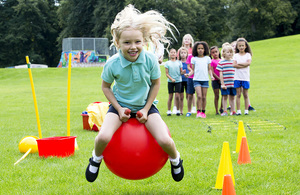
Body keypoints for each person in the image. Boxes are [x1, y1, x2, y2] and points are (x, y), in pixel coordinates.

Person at [85, 4, 184, 183]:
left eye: (137, 42)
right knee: (103, 137)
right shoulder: (113, 63)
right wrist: (119, 108)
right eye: (127, 42)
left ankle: (175, 160)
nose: (133, 47)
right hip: (119, 108)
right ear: (117, 43)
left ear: (144, 41)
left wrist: (146, 109)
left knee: (165, 140)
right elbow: (106, 87)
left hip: (146, 107)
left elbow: (156, 84)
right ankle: (96, 158)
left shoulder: (150, 60)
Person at [186, 41, 213, 118]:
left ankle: (203, 112)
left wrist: (211, 76)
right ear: (196, 50)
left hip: (205, 80)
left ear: (205, 50)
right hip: (196, 79)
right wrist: (189, 74)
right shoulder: (194, 59)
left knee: (204, 97)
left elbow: (209, 69)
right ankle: (198, 111)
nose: (200, 50)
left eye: (202, 48)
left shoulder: (207, 58)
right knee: (199, 96)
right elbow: (193, 70)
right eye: (199, 48)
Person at [174, 34, 196, 115]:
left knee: (191, 92)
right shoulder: (180, 50)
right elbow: (177, 60)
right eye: (185, 39)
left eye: (188, 39)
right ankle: (176, 108)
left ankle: (193, 107)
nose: (186, 40)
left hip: (190, 72)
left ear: (191, 41)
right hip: (181, 75)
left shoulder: (193, 50)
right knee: (179, 93)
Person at [233, 38, 252, 115]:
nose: (241, 47)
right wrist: (243, 64)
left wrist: (239, 64)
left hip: (245, 78)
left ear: (245, 46)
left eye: (242, 46)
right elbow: (234, 65)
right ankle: (238, 110)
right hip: (237, 77)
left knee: (245, 94)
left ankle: (246, 110)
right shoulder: (236, 55)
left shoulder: (248, 55)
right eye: (239, 46)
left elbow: (248, 63)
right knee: (238, 94)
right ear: (237, 47)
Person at [217, 44, 236, 116]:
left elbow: (235, 72)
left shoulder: (234, 61)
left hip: (233, 83)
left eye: (231, 52)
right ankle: (225, 111)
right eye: (228, 52)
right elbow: (221, 74)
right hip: (225, 84)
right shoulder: (221, 62)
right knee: (225, 97)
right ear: (224, 53)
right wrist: (222, 84)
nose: (230, 54)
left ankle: (233, 110)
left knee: (232, 97)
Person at [165, 48, 185, 116]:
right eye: (171, 52)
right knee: (170, 96)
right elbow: (167, 74)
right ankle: (168, 110)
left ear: (176, 54)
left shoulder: (179, 62)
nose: (173, 53)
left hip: (178, 81)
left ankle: (177, 110)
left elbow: (181, 72)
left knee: (177, 96)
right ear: (169, 54)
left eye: (174, 52)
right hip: (170, 81)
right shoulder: (167, 63)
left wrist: (183, 72)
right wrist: (171, 79)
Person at [210, 46, 223, 115]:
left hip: (222, 80)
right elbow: (212, 72)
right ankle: (216, 110)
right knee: (216, 95)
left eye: (216, 52)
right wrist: (218, 78)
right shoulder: (212, 61)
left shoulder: (222, 60)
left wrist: (222, 79)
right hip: (215, 80)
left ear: (219, 52)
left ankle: (222, 107)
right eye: (213, 52)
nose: (215, 54)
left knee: (223, 94)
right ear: (211, 54)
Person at [178, 47, 189, 115]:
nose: (183, 54)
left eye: (184, 53)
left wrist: (188, 74)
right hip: (180, 80)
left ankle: (189, 110)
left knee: (188, 96)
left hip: (187, 80)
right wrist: (181, 73)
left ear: (187, 54)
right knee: (181, 97)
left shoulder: (188, 63)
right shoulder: (178, 63)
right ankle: (181, 111)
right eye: (181, 53)